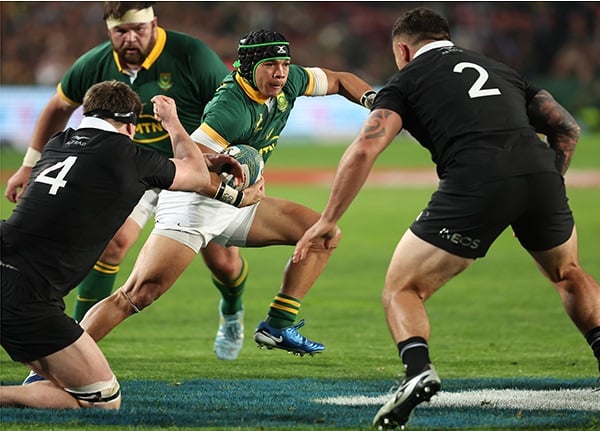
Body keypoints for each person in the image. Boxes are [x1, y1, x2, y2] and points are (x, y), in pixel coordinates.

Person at [293, 7, 600, 429]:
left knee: (403, 288)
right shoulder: (499, 68)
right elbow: (567, 128)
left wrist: (328, 218)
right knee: (567, 271)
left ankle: (417, 371)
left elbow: (365, 148)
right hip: (541, 175)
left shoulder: (406, 81)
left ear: (402, 48)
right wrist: (547, 187)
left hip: (476, 183)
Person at [77, 29, 376, 360]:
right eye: (270, 65)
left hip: (238, 198)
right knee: (137, 295)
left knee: (323, 234)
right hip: (194, 204)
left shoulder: (288, 81)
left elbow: (339, 79)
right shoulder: (229, 108)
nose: (279, 72)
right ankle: (58, 359)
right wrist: (240, 195)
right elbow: (193, 170)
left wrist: (373, 101)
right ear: (248, 66)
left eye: (285, 63)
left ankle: (277, 324)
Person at [3, 2, 251, 360]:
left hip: (190, 168)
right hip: (128, 171)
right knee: (112, 244)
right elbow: (57, 107)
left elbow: (233, 103)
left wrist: (229, 157)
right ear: (108, 30)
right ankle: (75, 342)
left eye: (139, 29)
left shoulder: (191, 55)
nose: (131, 37)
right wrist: (28, 165)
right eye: (121, 31)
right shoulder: (94, 63)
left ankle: (232, 309)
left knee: (224, 264)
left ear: (155, 24)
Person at [0, 81, 259, 409]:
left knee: (50, 364)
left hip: (8, 260)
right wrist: (172, 123)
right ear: (131, 126)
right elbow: (188, 173)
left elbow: (140, 165)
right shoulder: (128, 155)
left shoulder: (58, 143)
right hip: (25, 297)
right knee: (101, 398)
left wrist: (204, 160)